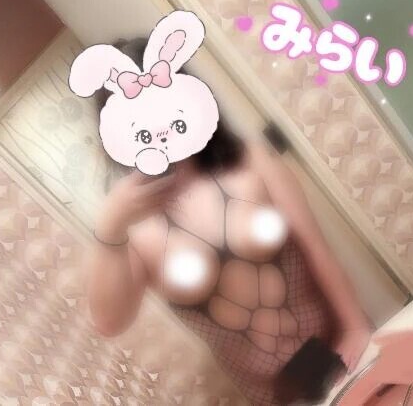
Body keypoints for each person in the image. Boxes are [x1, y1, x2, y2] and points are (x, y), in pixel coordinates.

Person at [85, 38, 371, 405]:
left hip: (340, 346)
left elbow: (315, 248)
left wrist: (354, 325)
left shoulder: (249, 160)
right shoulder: (136, 232)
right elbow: (109, 322)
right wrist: (110, 228)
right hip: (272, 394)